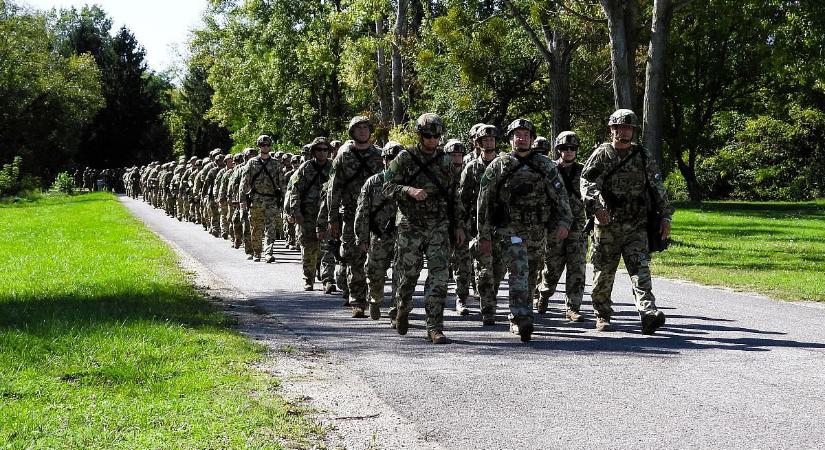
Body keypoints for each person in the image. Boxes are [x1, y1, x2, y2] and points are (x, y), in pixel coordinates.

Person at [477, 118, 572, 342]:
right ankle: (521, 318)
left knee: (531, 274)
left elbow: (560, 195)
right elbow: (484, 201)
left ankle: (520, 316)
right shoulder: (498, 165)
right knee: (518, 270)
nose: (522, 138)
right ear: (510, 139)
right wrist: (483, 235)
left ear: (531, 139)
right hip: (509, 229)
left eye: (526, 135)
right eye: (517, 135)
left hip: (537, 230)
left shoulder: (545, 165)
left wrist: (564, 222)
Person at [580, 109, 673, 334]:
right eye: (620, 127)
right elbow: (587, 183)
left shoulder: (642, 155)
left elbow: (657, 186)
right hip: (607, 226)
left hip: (636, 225)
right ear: (612, 129)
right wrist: (597, 208)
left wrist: (665, 215)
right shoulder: (602, 154)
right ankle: (602, 314)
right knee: (603, 273)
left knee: (641, 270)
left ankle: (648, 312)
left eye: (629, 128)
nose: (624, 132)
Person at [383, 113, 466, 344]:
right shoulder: (405, 158)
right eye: (428, 135)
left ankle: (434, 327)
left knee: (439, 277)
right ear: (420, 135)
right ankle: (402, 306)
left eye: (436, 136)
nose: (432, 140)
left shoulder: (446, 161)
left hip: (438, 225)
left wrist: (459, 225)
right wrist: (408, 190)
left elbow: (454, 195)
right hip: (411, 225)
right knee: (408, 275)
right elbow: (386, 187)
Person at [327, 116, 384, 318]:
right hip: (351, 215)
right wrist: (332, 218)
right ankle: (358, 301)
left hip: (377, 217)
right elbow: (334, 189)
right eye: (358, 128)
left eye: (365, 127)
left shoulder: (380, 155)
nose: (362, 131)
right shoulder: (343, 157)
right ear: (352, 132)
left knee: (377, 260)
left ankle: (375, 298)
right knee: (354, 259)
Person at [537, 131, 587, 322]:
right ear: (558, 149)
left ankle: (573, 307)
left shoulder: (584, 171)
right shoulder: (550, 170)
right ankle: (543, 293)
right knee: (552, 268)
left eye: (572, 148)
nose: (569, 151)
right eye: (565, 148)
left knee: (577, 268)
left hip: (578, 226)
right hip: (554, 226)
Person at [460, 124, 504, 325]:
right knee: (484, 270)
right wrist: (463, 225)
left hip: (502, 224)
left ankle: (491, 297)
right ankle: (488, 309)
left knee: (499, 269)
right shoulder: (471, 168)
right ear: (478, 143)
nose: (489, 142)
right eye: (485, 140)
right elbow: (463, 199)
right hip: (479, 226)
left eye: (492, 139)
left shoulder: (504, 165)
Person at [355, 141, 402, 320]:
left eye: (397, 158)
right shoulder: (373, 182)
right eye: (390, 158)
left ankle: (396, 309)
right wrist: (362, 238)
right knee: (375, 273)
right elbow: (362, 211)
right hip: (378, 235)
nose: (393, 161)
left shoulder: (409, 182)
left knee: (402, 274)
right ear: (383, 160)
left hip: (402, 236)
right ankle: (374, 300)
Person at [287, 137, 333, 291]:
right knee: (309, 247)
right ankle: (309, 278)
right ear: (313, 151)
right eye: (319, 149)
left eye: (325, 150)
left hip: (327, 214)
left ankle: (328, 279)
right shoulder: (305, 168)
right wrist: (296, 212)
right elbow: (295, 191)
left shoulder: (333, 168)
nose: (322, 152)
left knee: (328, 247)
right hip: (308, 214)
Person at [240, 135, 284, 263]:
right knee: (256, 228)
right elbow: (244, 182)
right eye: (262, 145)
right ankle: (257, 252)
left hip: (271, 200)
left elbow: (282, 183)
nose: (265, 147)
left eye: (267, 145)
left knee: (271, 228)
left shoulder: (276, 163)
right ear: (259, 146)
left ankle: (268, 252)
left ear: (270, 147)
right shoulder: (252, 162)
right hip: (256, 199)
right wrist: (242, 200)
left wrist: (285, 200)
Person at [444, 139, 473, 316]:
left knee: (463, 265)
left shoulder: (469, 173)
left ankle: (461, 299)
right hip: (443, 226)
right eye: (452, 155)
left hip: (464, 225)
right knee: (440, 265)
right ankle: (437, 300)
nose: (456, 158)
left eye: (459, 155)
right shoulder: (440, 173)